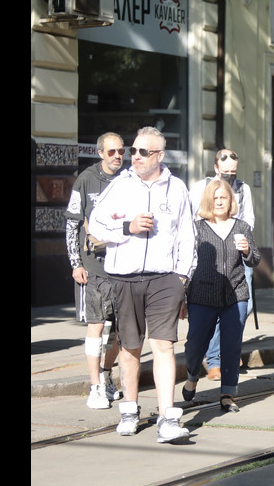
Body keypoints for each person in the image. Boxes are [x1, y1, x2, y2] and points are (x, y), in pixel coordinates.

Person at [88, 126, 197, 443]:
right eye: (133, 150)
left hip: (165, 279)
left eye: (142, 152)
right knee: (130, 347)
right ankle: (130, 410)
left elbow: (187, 237)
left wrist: (182, 277)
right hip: (125, 277)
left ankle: (167, 417)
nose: (134, 156)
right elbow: (96, 224)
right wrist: (128, 227)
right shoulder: (120, 185)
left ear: (159, 156)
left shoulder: (176, 188)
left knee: (164, 345)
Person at [181, 179, 261, 412]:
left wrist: (247, 250)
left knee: (231, 345)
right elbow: (186, 263)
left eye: (223, 198)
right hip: (201, 294)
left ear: (230, 201)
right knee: (195, 344)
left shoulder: (242, 227)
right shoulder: (197, 228)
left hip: (236, 294)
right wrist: (182, 297)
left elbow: (255, 259)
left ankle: (227, 393)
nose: (219, 202)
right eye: (215, 198)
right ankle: (192, 374)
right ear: (208, 200)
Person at [64, 132, 125, 409]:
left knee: (120, 331)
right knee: (96, 325)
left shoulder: (129, 180)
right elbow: (72, 224)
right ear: (100, 153)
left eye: (120, 151)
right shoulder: (86, 179)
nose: (117, 156)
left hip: (123, 266)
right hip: (93, 267)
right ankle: (95, 387)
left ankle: (107, 374)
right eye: (111, 152)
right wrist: (75, 263)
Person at [189, 149, 255, 381]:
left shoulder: (243, 189)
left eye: (233, 173)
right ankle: (215, 358)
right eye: (225, 172)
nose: (230, 177)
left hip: (237, 252)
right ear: (216, 168)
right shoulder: (200, 187)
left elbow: (250, 219)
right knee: (214, 306)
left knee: (243, 307)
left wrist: (243, 239)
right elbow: (191, 217)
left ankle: (227, 347)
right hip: (210, 255)